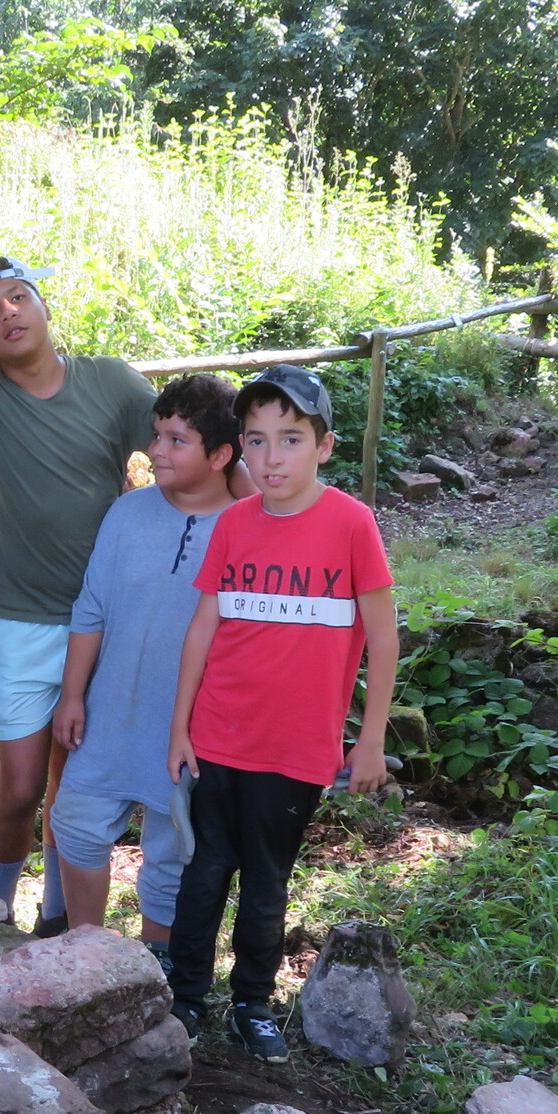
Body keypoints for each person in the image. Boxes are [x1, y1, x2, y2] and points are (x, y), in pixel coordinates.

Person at [165, 364, 397, 1062]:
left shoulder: (351, 524)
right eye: (257, 440)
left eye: (290, 439)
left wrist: (371, 741)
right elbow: (202, 628)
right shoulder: (233, 525)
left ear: (324, 446)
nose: (272, 458)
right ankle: (185, 997)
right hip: (217, 736)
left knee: (266, 880)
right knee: (205, 871)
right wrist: (179, 727)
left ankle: (253, 1003)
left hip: (296, 747)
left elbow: (383, 636)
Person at [0, 256, 158, 933]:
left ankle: (56, 917)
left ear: (45, 306)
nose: (8, 313)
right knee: (20, 786)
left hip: (101, 620)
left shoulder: (111, 382)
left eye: (19, 297)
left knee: (72, 785)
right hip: (14, 617)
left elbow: (189, 444)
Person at [49, 374, 242, 956]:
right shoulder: (127, 512)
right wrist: (73, 694)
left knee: (173, 851)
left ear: (220, 456)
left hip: (193, 725)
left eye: (177, 440)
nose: (156, 450)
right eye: (157, 435)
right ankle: (87, 954)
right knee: (76, 822)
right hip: (112, 708)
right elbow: (91, 608)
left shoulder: (246, 527)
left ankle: (159, 970)